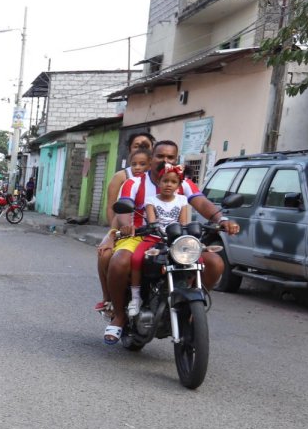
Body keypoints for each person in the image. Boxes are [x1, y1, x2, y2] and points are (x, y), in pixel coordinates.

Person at [103, 139, 240, 344]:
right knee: (119, 261)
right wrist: (125, 225)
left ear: (176, 160)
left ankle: (193, 309)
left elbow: (201, 202)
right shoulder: (135, 182)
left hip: (178, 240)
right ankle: (120, 315)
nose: (164, 160)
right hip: (141, 235)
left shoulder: (182, 182)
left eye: (170, 157)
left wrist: (222, 219)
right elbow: (124, 207)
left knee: (215, 263)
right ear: (151, 160)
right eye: (160, 156)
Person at [95, 132, 155, 312]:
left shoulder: (162, 176)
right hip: (125, 228)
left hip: (152, 232)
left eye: (145, 145)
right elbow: (112, 207)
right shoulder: (122, 177)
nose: (141, 149)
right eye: (137, 146)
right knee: (105, 254)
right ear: (130, 150)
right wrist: (113, 232)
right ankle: (109, 298)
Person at [127, 163, 191, 317]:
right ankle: (135, 298)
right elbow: (152, 221)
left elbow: (184, 223)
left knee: (198, 260)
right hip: (154, 238)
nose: (169, 185)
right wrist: (156, 228)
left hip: (176, 241)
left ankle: (187, 294)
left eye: (173, 182)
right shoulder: (151, 200)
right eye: (165, 181)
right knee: (136, 259)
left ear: (179, 185)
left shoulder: (183, 200)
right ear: (158, 182)